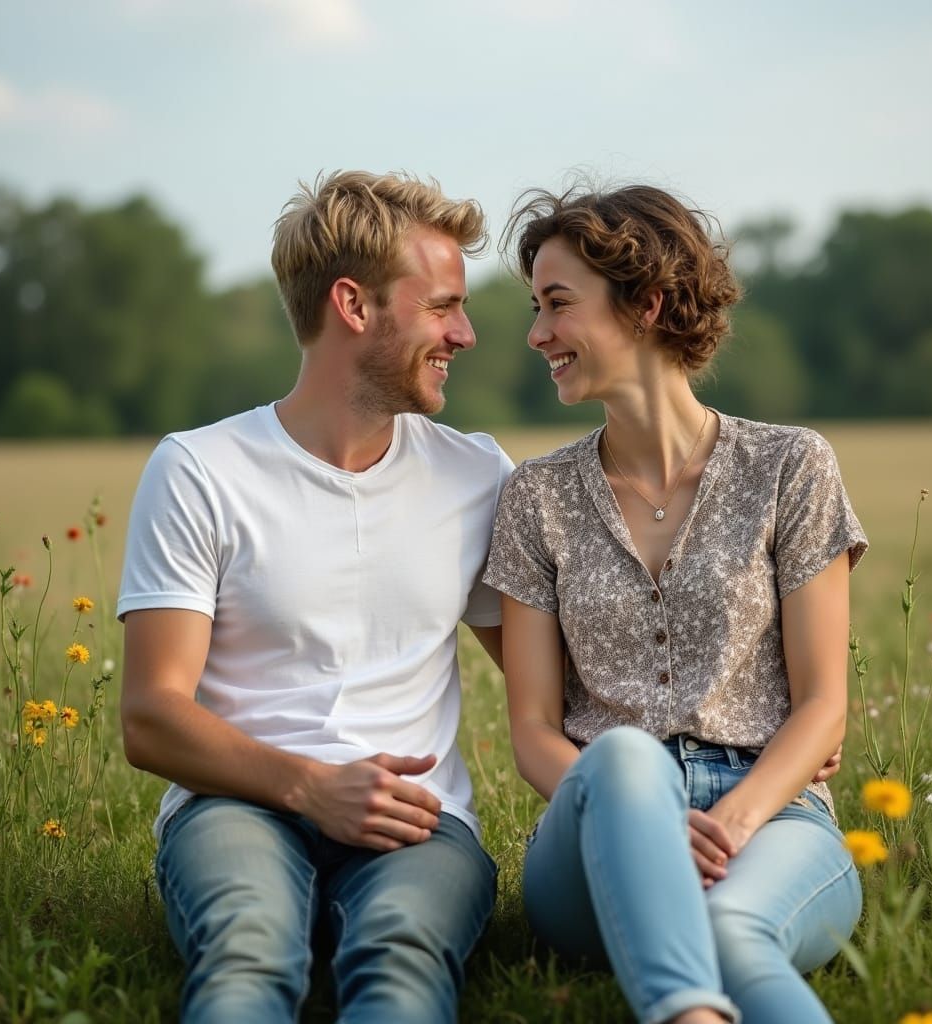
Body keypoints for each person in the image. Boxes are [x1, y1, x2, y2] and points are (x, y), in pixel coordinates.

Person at [117, 170, 513, 1023]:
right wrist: (308, 786)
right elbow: (150, 716)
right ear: (353, 305)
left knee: (403, 953)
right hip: (235, 807)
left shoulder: (476, 476)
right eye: (443, 305)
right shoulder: (199, 470)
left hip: (420, 822)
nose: (466, 333)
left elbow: (559, 679)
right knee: (248, 945)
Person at [483, 183, 866, 1024]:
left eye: (557, 305)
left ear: (646, 304)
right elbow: (534, 733)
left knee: (732, 928)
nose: (536, 333)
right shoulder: (534, 497)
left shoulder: (789, 467)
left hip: (772, 812)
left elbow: (823, 707)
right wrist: (653, 826)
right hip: (597, 829)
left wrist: (730, 822)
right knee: (624, 757)